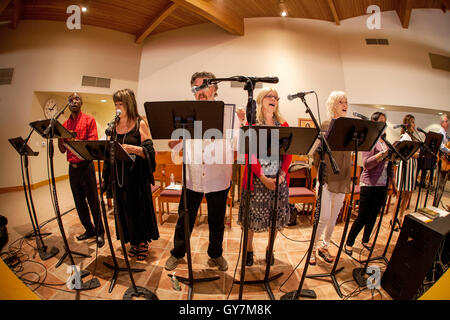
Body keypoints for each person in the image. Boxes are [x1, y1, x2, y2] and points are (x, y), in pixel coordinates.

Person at [164, 71, 240, 271]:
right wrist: (177, 139)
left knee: (217, 221)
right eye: (196, 88)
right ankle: (178, 253)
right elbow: (174, 145)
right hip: (193, 177)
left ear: (214, 89)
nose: (200, 91)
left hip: (219, 179)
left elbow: (236, 149)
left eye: (204, 86)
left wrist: (222, 166)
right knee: (184, 219)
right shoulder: (184, 114)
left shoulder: (229, 114)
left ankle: (215, 254)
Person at [237, 87, 292, 266]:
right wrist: (262, 177)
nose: (274, 99)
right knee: (251, 218)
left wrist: (282, 175)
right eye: (270, 96)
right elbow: (249, 154)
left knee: (274, 218)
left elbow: (289, 154)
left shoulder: (283, 125)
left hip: (278, 180)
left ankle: (270, 249)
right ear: (261, 100)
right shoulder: (253, 125)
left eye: (276, 97)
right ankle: (249, 249)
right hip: (256, 179)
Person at [103, 89, 159, 261]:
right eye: (116, 104)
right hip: (119, 177)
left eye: (121, 104)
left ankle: (143, 242)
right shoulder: (113, 126)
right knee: (124, 211)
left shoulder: (139, 123)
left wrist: (131, 148)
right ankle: (132, 241)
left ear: (129, 104)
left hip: (136, 178)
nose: (118, 107)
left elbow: (149, 151)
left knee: (138, 210)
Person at [345, 112, 398, 255]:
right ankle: (349, 242)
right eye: (380, 121)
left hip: (382, 185)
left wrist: (393, 184)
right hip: (369, 184)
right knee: (363, 216)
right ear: (373, 123)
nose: (383, 125)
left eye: (384, 122)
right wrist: (381, 155)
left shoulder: (385, 142)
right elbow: (367, 164)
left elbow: (390, 166)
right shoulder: (369, 140)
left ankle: (366, 239)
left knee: (374, 215)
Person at [310, 91, 352, 265]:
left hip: (343, 177)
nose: (344, 104)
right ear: (333, 104)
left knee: (334, 217)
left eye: (346, 102)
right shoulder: (326, 124)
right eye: (340, 101)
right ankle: (312, 248)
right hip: (327, 177)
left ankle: (324, 246)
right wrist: (318, 175)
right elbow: (317, 153)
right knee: (324, 217)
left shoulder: (351, 127)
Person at [58, 93, 105, 248]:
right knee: (79, 202)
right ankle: (89, 229)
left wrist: (75, 140)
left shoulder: (89, 120)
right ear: (68, 104)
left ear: (81, 103)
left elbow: (92, 144)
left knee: (93, 201)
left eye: (77, 99)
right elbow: (62, 150)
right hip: (72, 168)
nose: (74, 101)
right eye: (70, 99)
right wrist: (59, 136)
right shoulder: (64, 124)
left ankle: (99, 232)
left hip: (86, 167)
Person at [393, 114, 419, 231]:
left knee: (408, 195)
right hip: (405, 167)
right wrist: (416, 153)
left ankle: (401, 217)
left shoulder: (412, 137)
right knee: (401, 195)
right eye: (412, 122)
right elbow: (406, 152)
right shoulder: (404, 137)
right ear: (407, 124)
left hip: (412, 167)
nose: (414, 125)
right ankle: (393, 220)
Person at [434, 114, 449, 208]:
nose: (448, 123)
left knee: (442, 186)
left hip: (446, 163)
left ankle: (436, 204)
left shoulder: (445, 134)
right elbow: (441, 147)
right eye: (446, 121)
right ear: (442, 123)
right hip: (442, 162)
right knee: (440, 186)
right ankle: (435, 205)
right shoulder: (441, 132)